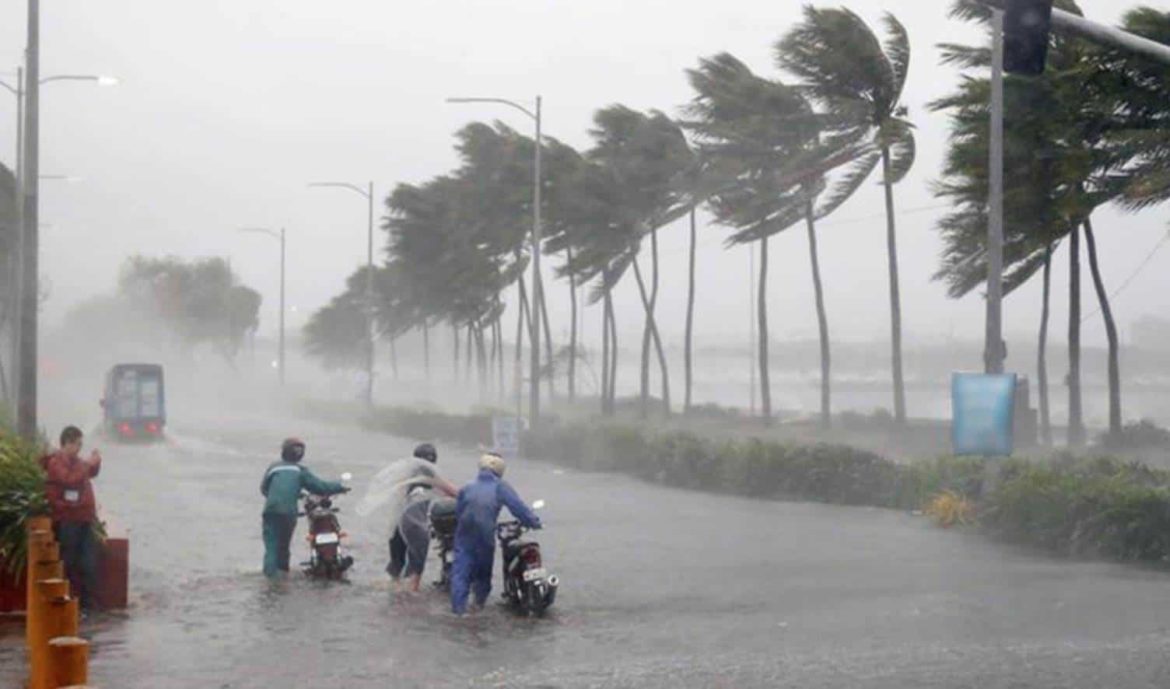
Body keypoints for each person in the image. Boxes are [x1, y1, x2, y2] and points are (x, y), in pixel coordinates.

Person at [450, 452, 541, 616]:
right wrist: (534, 522)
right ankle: (478, 608)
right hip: (485, 536)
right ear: (500, 469)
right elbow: (518, 508)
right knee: (483, 574)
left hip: (464, 535)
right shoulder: (500, 487)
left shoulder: (466, 487)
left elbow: (458, 512)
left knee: (460, 573)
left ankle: (459, 613)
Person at [260, 438, 348, 578]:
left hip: (270, 511)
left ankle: (270, 580)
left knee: (271, 547)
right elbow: (320, 487)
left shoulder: (273, 467)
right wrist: (340, 487)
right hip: (289, 513)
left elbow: (264, 489)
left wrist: (293, 494)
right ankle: (282, 576)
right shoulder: (300, 471)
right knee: (283, 546)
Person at [42, 426, 103, 612]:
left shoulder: (77, 462)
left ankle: (87, 605)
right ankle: (67, 604)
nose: (79, 449)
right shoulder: (56, 462)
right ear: (67, 443)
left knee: (89, 562)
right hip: (67, 518)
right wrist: (88, 465)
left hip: (84, 518)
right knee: (69, 562)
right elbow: (70, 479)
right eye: (77, 444)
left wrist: (95, 462)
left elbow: (89, 472)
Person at [387, 443, 459, 592]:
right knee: (415, 569)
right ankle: (410, 602)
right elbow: (453, 492)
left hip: (396, 524)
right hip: (414, 525)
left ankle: (393, 599)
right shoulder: (429, 475)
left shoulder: (406, 475)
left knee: (396, 566)